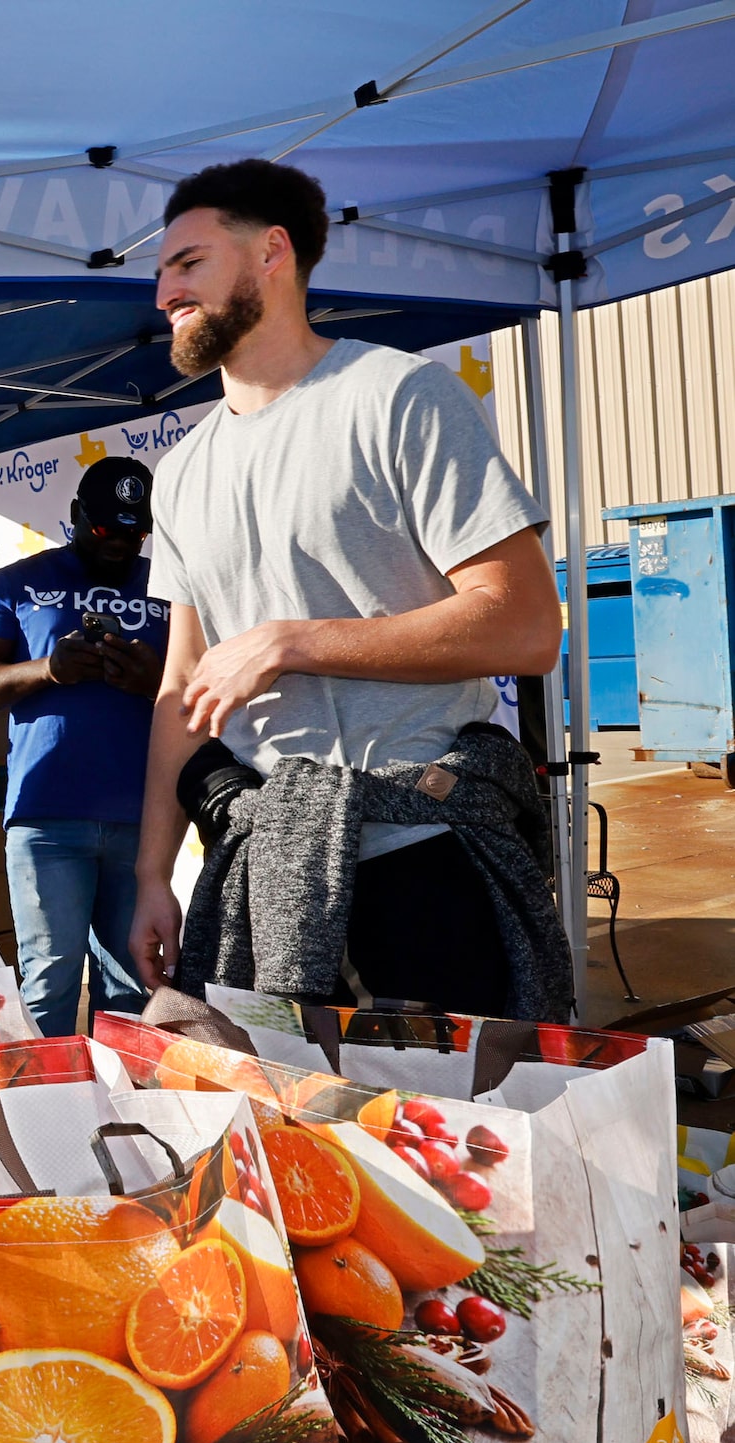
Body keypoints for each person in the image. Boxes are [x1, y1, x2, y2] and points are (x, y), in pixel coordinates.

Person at [128, 159, 567, 1017]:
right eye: (160, 273)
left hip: (426, 852)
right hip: (265, 873)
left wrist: (295, 640)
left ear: (272, 254)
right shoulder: (178, 475)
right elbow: (182, 688)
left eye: (188, 263)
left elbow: (524, 628)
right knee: (299, 1142)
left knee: (451, 1139)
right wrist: (152, 873)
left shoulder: (401, 396)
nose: (163, 294)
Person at [0, 457, 169, 1034]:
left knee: (135, 985)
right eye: (105, 530)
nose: (121, 543)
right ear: (74, 516)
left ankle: (125, 1112)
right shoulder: (16, 583)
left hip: (144, 821)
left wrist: (156, 681)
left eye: (135, 531)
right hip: (47, 820)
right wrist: (49, 668)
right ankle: (41, 1113)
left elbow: (212, 684)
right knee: (49, 980)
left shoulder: (173, 582)